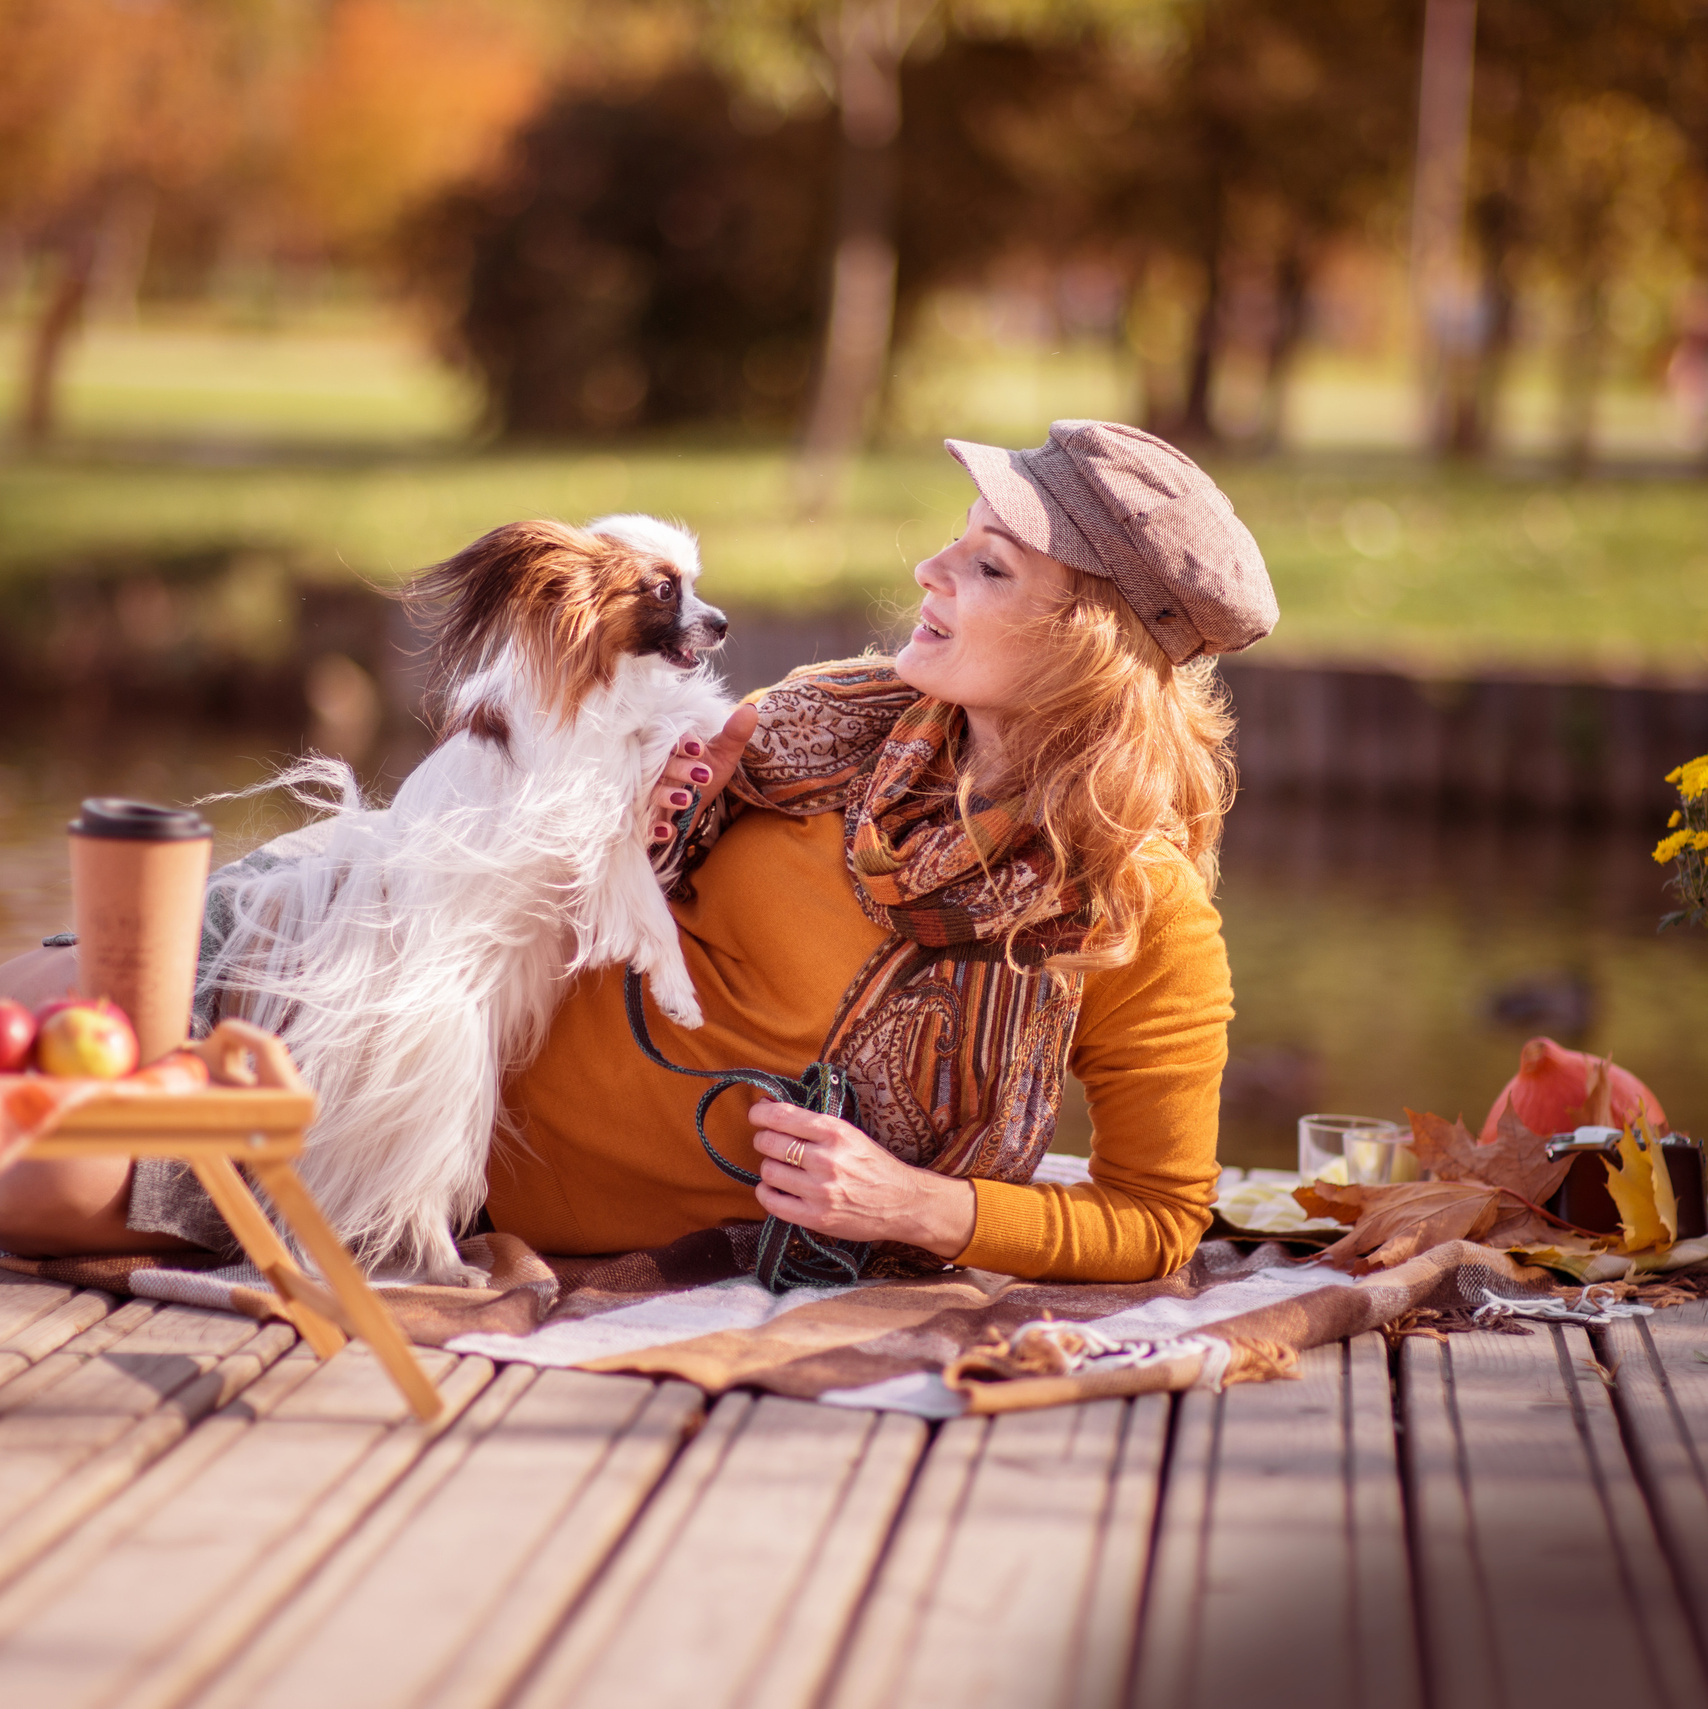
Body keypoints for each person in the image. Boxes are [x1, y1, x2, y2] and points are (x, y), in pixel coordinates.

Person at [0, 420, 1277, 1283]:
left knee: (36, 1185)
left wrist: (927, 1210)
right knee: (28, 1019)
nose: (928, 567)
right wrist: (613, 800)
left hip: (415, 1167)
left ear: (1085, 644)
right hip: (359, 976)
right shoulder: (822, 718)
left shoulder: (1137, 915)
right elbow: (532, 778)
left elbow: (1159, 1219)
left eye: (987, 564)